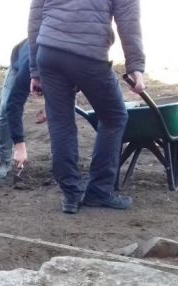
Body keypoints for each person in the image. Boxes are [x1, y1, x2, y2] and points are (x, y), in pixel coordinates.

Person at [26, 0, 146, 213]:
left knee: (60, 123)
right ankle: (99, 191)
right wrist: (135, 66)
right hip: (87, 53)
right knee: (114, 117)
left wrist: (35, 70)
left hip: (49, 52)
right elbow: (128, 19)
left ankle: (71, 195)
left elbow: (36, 16)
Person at [0, 38, 45, 179]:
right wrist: (20, 146)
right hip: (20, 64)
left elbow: (68, 94)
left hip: (51, 66)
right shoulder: (29, 66)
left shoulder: (69, 61)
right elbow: (14, 104)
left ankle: (63, 164)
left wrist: (49, 108)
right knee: (5, 107)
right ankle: (3, 160)